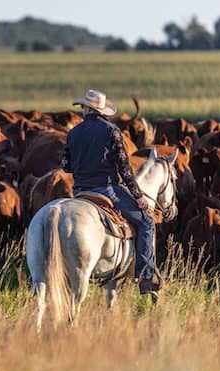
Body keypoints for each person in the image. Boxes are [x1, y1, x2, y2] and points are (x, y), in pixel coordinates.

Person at [61, 89, 161, 296]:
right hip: (108, 189)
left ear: (87, 109)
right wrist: (138, 196)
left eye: (82, 108)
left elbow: (66, 166)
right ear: (101, 110)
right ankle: (145, 276)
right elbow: (125, 169)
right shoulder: (112, 131)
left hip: (80, 191)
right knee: (146, 222)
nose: (82, 110)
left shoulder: (73, 133)